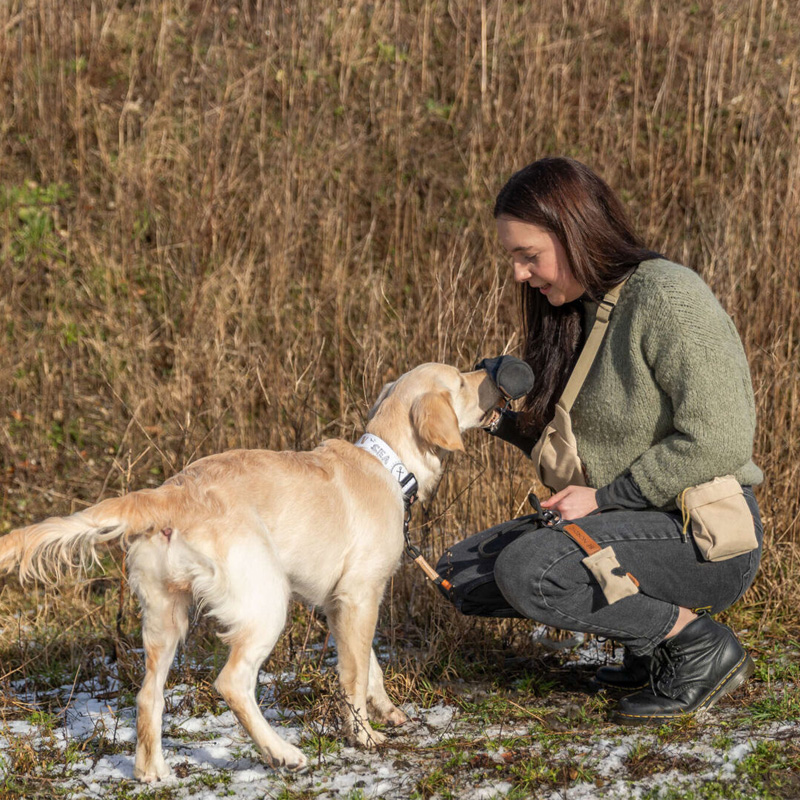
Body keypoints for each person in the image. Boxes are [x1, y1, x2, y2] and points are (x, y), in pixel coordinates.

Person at [481, 156, 763, 724]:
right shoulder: (577, 312)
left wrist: (606, 499)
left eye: (528, 255)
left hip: (701, 535)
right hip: (634, 524)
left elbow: (721, 439)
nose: (518, 273)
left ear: (574, 232)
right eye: (513, 257)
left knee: (527, 569)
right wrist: (492, 417)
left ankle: (697, 646)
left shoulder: (667, 296)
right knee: (471, 571)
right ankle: (648, 646)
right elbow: (583, 454)